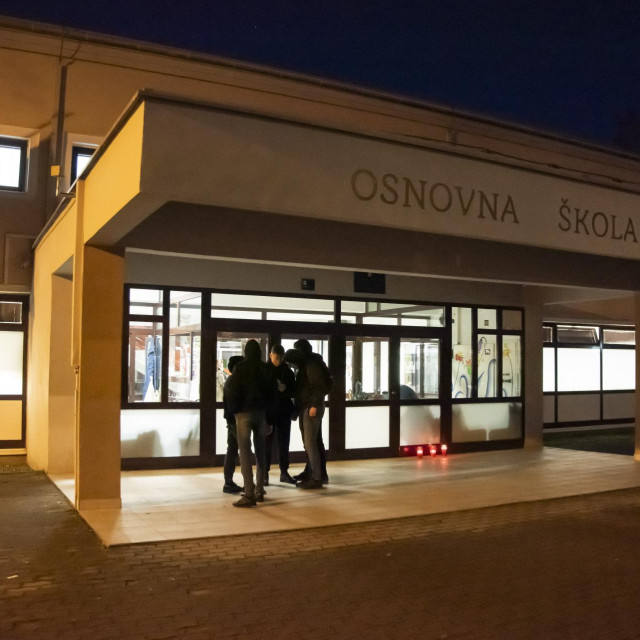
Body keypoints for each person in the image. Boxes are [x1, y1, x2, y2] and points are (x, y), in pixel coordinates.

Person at [225, 339, 276, 507]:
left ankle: (249, 493)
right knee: (261, 451)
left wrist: (234, 411)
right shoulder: (265, 368)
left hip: (243, 414)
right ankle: (260, 490)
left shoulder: (240, 368)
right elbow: (272, 394)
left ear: (246, 352)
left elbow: (233, 391)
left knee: (245, 452)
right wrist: (270, 418)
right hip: (261, 414)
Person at [284, 340, 332, 489]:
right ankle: (312, 473)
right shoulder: (307, 364)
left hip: (311, 408)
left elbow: (319, 387)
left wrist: (314, 405)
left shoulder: (311, 365)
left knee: (311, 443)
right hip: (306, 406)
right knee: (310, 443)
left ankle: (316, 477)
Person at [265, 344, 297, 485]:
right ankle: (264, 473)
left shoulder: (287, 371)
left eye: (281, 358)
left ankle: (284, 471)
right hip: (269, 412)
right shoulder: (265, 370)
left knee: (284, 443)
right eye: (276, 357)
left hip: (283, 411)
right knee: (266, 444)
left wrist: (285, 389)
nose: (278, 360)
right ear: (271, 355)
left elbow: (294, 391)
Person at [221, 355, 244, 494]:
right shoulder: (235, 382)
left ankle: (228, 482)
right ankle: (243, 482)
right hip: (235, 420)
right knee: (242, 449)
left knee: (232, 449)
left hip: (231, 419)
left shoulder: (230, 381)